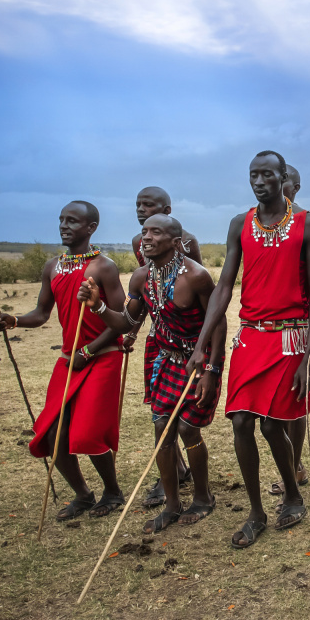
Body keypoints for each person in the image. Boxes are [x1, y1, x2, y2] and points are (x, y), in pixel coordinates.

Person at [189, 150, 310, 548]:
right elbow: (224, 287)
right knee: (240, 422)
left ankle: (292, 494)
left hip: (289, 336)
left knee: (270, 424)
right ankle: (255, 512)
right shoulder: (240, 223)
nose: (260, 182)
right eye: (254, 175)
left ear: (283, 178)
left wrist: (308, 357)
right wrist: (201, 343)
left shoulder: (308, 224)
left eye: (267, 175)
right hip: (251, 336)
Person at [79, 214, 225, 534]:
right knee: (162, 428)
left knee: (187, 428)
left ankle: (203, 498)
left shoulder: (196, 276)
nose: (146, 237)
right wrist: (98, 306)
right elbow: (127, 322)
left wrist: (211, 370)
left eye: (155, 232)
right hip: (167, 359)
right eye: (144, 231)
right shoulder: (141, 277)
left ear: (175, 242)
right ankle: (172, 505)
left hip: (199, 361)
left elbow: (218, 321)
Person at [0, 201, 126, 521]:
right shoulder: (52, 266)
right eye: (62, 220)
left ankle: (112, 492)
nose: (64, 226)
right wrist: (14, 320)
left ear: (91, 228)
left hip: (102, 356)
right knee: (52, 432)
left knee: (88, 432)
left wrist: (89, 351)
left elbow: (123, 321)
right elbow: (42, 313)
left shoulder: (103, 267)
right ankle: (83, 494)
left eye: (73, 221)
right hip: (70, 359)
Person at [129, 186, 199, 507]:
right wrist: (132, 330)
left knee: (185, 416)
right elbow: (149, 291)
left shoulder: (187, 242)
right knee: (160, 412)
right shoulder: (139, 243)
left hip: (185, 337)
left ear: (167, 210)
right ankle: (174, 469)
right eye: (138, 205)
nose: (141, 209)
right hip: (158, 336)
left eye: (149, 205)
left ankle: (190, 475)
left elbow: (194, 289)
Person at [266, 164, 310, 503]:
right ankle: (290, 465)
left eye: (284, 181)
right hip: (267, 327)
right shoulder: (261, 225)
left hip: (300, 326)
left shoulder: (309, 223)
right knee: (272, 403)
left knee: (295, 396)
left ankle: (294, 466)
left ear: (296, 186)